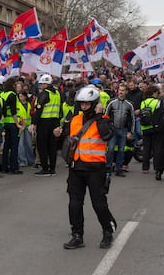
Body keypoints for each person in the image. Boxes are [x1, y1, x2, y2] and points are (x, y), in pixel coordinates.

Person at [63, 86, 117, 250]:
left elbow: (106, 135)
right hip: (76, 167)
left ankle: (107, 231)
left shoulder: (104, 119)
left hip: (95, 169)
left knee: (99, 204)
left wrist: (100, 116)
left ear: (94, 104)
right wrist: (59, 133)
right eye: (81, 104)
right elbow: (68, 137)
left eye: (87, 104)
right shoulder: (74, 119)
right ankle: (77, 235)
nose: (84, 107)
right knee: (74, 204)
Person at [30, 74, 63, 176]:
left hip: (44, 123)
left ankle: (45, 168)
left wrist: (34, 123)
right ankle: (52, 169)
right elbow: (60, 109)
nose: (40, 86)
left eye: (42, 84)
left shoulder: (44, 94)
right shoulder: (57, 93)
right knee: (52, 146)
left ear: (45, 84)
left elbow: (39, 109)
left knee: (42, 146)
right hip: (55, 122)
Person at [104, 84, 134, 176]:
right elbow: (106, 116)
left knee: (121, 150)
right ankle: (108, 167)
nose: (121, 92)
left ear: (126, 92)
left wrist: (130, 131)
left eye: (123, 90)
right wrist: (106, 129)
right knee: (111, 149)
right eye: (120, 90)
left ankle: (119, 168)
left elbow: (132, 119)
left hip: (123, 129)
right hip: (113, 129)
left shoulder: (129, 104)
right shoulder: (111, 102)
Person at [139, 85, 164, 177]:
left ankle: (145, 168)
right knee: (156, 148)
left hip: (145, 127)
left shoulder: (143, 102)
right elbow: (160, 114)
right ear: (154, 93)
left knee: (146, 149)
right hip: (155, 127)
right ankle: (156, 167)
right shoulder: (157, 102)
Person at [0, 77, 23, 174]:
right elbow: (13, 111)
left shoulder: (2, 94)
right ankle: (14, 167)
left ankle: (4, 167)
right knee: (14, 146)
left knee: (6, 145)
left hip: (4, 122)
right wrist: (17, 123)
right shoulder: (13, 95)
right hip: (13, 123)